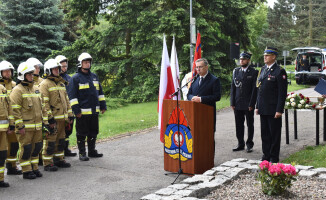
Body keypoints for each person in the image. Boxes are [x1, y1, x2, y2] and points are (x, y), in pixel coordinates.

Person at [10, 62, 51, 179]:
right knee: (26, 148)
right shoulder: (17, 90)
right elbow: (15, 110)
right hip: (25, 128)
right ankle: (26, 170)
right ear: (22, 75)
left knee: (37, 148)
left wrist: (45, 122)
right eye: (29, 75)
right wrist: (20, 126)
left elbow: (43, 107)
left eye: (32, 74)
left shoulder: (36, 89)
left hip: (37, 126)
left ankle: (35, 168)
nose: (31, 76)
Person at [68, 53, 107, 161]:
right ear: (80, 64)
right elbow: (72, 96)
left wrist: (103, 106)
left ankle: (92, 151)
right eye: (85, 62)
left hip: (94, 112)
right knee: (81, 134)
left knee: (93, 132)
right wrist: (76, 111)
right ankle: (82, 153)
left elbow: (100, 93)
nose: (88, 64)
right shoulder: (75, 78)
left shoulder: (94, 76)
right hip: (82, 113)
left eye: (89, 62)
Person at [39, 59, 73, 170]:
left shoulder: (61, 83)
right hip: (53, 119)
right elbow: (45, 103)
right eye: (54, 69)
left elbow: (66, 100)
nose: (57, 71)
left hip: (63, 119)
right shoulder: (44, 84)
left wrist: (70, 114)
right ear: (48, 70)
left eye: (57, 69)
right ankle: (48, 163)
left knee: (61, 140)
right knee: (50, 142)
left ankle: (59, 159)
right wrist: (50, 118)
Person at [256, 47, 287, 163]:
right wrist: (257, 106)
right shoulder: (263, 69)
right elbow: (260, 90)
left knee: (274, 134)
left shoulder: (279, 71)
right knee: (265, 134)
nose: (265, 57)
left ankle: (274, 157)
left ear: (273, 57)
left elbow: (282, 93)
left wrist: (279, 110)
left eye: (267, 55)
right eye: (264, 55)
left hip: (274, 109)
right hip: (263, 108)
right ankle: (266, 156)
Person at [187, 58, 221, 151]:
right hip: (195, 113)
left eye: (200, 67)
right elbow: (188, 94)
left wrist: (201, 99)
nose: (198, 69)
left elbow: (217, 96)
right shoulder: (194, 79)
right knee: (196, 136)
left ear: (206, 67)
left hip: (207, 113)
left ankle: (209, 159)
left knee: (208, 137)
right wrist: (192, 98)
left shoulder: (214, 80)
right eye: (196, 67)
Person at [230, 52, 258, 153]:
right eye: (240, 59)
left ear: (248, 60)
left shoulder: (254, 72)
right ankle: (240, 143)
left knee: (250, 124)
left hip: (248, 103)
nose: (241, 61)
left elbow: (254, 90)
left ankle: (249, 144)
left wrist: (252, 104)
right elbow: (233, 88)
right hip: (237, 103)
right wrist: (232, 102)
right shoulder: (236, 71)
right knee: (238, 124)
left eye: (244, 59)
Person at [0, 61, 22, 175]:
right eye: (5, 71)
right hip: (2, 123)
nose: (7, 73)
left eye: (9, 71)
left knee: (14, 145)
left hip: (13, 120)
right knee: (2, 149)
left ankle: (12, 166)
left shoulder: (15, 85)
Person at [55, 55, 77, 157]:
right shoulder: (55, 79)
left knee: (68, 131)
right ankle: (59, 151)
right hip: (59, 110)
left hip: (69, 108)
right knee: (59, 132)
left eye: (66, 66)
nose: (65, 68)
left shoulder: (69, 78)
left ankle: (66, 148)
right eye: (62, 66)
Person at [0, 73, 15, 186]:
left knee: (2, 154)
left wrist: (11, 124)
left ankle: (0, 179)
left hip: (3, 130)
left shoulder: (2, 89)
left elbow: (9, 108)